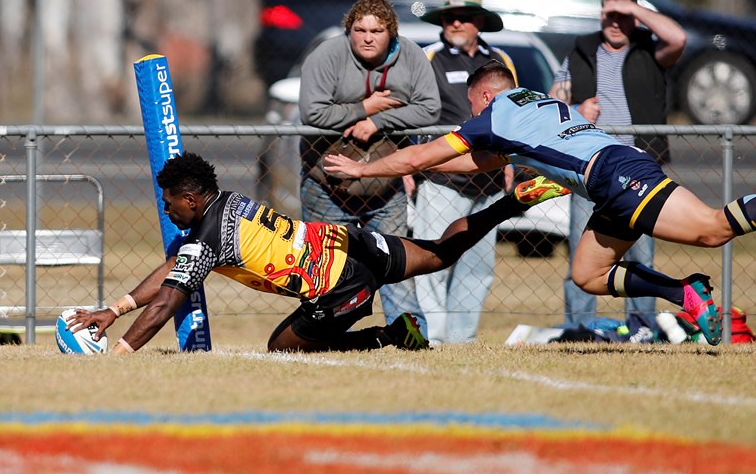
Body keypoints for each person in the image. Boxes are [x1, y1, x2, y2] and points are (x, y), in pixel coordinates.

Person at [324, 60, 756, 346]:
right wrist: (427, 167)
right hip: (606, 181)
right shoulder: (534, 104)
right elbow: (480, 162)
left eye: (472, 107)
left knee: (711, 230)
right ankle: (684, 291)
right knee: (587, 274)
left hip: (615, 173)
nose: (469, 117)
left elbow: (422, 155)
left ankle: (688, 291)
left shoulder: (493, 116)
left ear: (485, 97)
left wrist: (363, 169)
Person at [67, 152, 568, 355]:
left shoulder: (208, 236)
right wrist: (114, 309)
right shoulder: (225, 206)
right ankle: (511, 203)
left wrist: (121, 351)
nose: (166, 208)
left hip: (340, 284)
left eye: (170, 201)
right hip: (346, 240)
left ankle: (389, 336)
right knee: (440, 254)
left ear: (192, 199)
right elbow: (175, 266)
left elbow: (167, 302)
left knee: (281, 348)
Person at [298, 0, 441, 336]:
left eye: (376, 30)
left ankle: (410, 335)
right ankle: (321, 337)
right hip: (327, 186)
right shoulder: (327, 56)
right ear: (349, 30)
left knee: (396, 268)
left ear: (391, 32)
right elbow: (312, 112)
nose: (367, 37)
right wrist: (364, 108)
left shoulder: (411, 57)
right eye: (359, 29)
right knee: (324, 271)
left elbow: (430, 109)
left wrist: (379, 122)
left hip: (385, 187)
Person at [549, 0, 687, 328]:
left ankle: (641, 327)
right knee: (581, 252)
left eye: (623, 16)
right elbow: (552, 106)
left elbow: (679, 38)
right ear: (600, 14)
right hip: (590, 167)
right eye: (610, 14)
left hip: (640, 168)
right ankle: (578, 327)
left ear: (635, 18)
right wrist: (576, 109)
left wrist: (632, 8)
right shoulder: (579, 51)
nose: (616, 22)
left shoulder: (650, 51)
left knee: (641, 254)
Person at [414, 0, 517, 345]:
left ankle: (462, 339)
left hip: (487, 183)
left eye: (463, 17)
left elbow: (513, 115)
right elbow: (410, 115)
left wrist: (509, 165)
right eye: (448, 17)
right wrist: (411, 168)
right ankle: (434, 338)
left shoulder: (501, 61)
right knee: (431, 260)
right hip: (442, 182)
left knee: (478, 266)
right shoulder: (427, 58)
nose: (454, 23)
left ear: (479, 21)